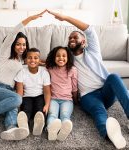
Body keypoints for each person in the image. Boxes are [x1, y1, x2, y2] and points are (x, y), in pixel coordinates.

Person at [47, 10, 129, 149]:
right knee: (99, 112)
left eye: (75, 38)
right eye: (69, 39)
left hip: (105, 90)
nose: (71, 40)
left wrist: (66, 17)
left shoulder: (93, 51)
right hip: (88, 96)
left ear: (84, 42)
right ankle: (109, 134)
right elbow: (52, 60)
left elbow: (89, 30)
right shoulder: (67, 59)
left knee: (114, 76)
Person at [0, 10, 46, 141]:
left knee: (14, 107)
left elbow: (35, 62)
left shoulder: (21, 63)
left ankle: (11, 128)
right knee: (17, 99)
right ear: (12, 44)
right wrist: (30, 18)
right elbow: (13, 32)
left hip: (9, 94)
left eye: (24, 44)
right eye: (18, 44)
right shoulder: (4, 53)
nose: (21, 47)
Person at [14, 48, 51, 136]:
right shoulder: (22, 72)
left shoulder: (44, 72)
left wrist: (47, 105)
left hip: (40, 96)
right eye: (30, 58)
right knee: (27, 109)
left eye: (36, 58)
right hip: (27, 97)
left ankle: (37, 125)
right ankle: (24, 125)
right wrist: (18, 104)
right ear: (26, 60)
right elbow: (19, 91)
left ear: (39, 60)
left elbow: (47, 92)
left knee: (40, 110)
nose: (33, 60)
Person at [46, 46, 78, 141]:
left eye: (64, 56)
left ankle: (65, 128)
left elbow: (74, 87)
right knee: (52, 114)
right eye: (58, 56)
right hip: (53, 99)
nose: (61, 58)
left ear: (68, 58)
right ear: (53, 58)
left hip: (67, 100)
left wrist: (75, 100)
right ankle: (51, 129)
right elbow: (43, 64)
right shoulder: (50, 68)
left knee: (64, 115)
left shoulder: (72, 69)